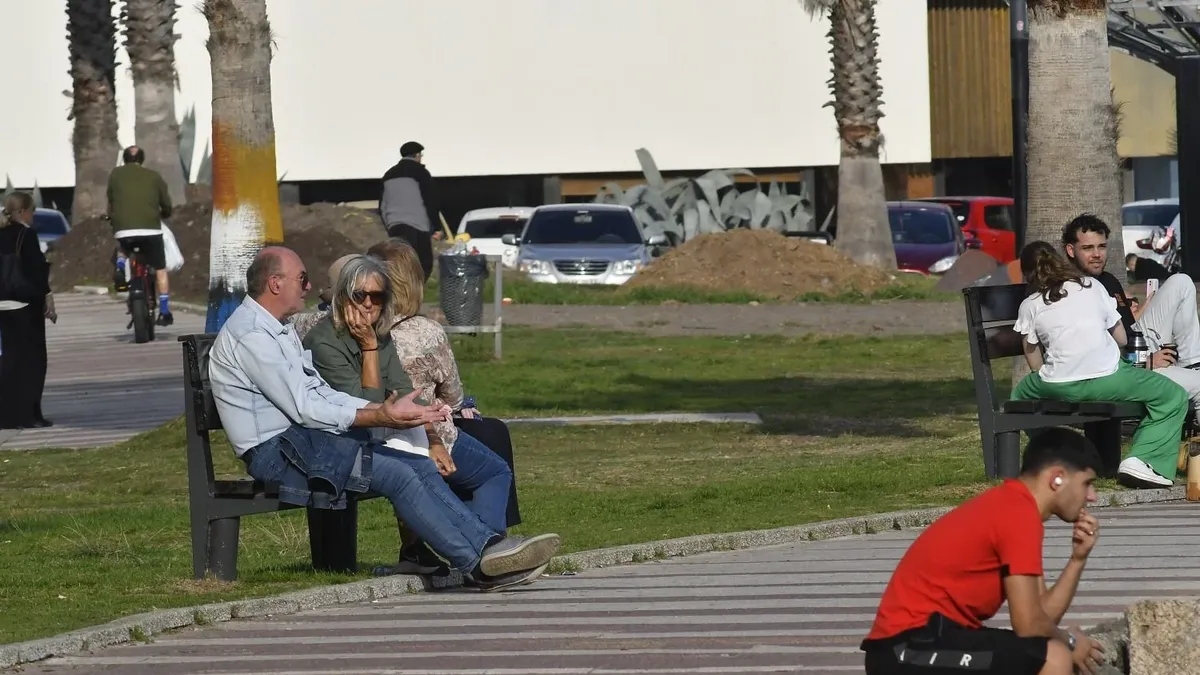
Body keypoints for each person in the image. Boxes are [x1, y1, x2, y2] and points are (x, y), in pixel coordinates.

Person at [208, 246, 561, 591]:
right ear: (275, 283)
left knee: (415, 464)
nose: (309, 287)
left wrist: (384, 415)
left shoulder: (276, 329)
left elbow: (317, 393)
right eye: (301, 279)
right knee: (400, 474)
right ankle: (480, 565)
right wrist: (377, 414)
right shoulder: (253, 335)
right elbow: (303, 405)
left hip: (305, 442)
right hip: (278, 452)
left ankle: (487, 552)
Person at [301, 254, 525, 579]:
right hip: (351, 443)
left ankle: (485, 552)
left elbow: (408, 396)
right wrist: (368, 349)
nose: (367, 305)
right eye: (358, 295)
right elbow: (368, 406)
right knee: (415, 471)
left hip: (394, 432)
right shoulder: (326, 342)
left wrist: (434, 440)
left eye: (376, 297)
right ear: (342, 297)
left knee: (436, 462)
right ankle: (483, 556)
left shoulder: (380, 336)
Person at [860, 428, 1107, 675]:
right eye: (1087, 483)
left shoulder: (1017, 507)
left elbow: (1041, 616)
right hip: (904, 649)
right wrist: (1070, 641)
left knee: (1048, 649)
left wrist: (1077, 559)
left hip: (923, 643)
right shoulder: (1017, 514)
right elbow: (1028, 624)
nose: (1092, 496)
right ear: (1057, 478)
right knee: (1053, 657)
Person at [368, 237, 523, 528]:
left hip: (370, 433)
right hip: (420, 435)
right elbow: (453, 398)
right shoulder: (425, 332)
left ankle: (454, 542)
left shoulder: (354, 327)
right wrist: (454, 405)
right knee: (494, 464)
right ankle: (485, 544)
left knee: (489, 433)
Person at [1012, 241, 1188, 488]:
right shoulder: (1092, 285)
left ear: (1028, 274)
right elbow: (1122, 338)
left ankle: (1053, 456)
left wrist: (1049, 374)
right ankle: (1143, 460)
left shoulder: (1030, 303)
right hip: (1108, 378)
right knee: (1172, 396)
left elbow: (1032, 357)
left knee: (1019, 396)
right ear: (1061, 260)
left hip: (1056, 382)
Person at [1062, 214, 1200, 433]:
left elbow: (1126, 325)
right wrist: (1148, 361)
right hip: (1129, 366)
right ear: (1071, 251)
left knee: (1181, 282)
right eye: (1088, 248)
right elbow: (1092, 353)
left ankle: (1192, 366)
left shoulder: (1107, 280)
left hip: (1139, 343)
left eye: (1101, 246)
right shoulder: (1075, 291)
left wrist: (1143, 308)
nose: (1097, 254)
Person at [0, 192, 55, 429]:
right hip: (25, 304)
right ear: (22, 211)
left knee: (10, 359)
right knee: (33, 361)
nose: (32, 216)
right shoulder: (27, 235)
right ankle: (30, 414)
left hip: (2, 305)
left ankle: (7, 415)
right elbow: (35, 271)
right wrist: (47, 296)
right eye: (31, 210)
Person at [107, 145, 174, 326]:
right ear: (142, 159)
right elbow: (166, 203)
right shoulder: (154, 176)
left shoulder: (115, 174)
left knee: (122, 245)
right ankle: (165, 311)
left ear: (125, 159)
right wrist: (166, 212)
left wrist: (112, 217)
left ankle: (121, 265)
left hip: (124, 229)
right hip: (150, 230)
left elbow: (111, 201)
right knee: (160, 268)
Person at [379, 141, 439, 281]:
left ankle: (402, 293)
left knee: (401, 262)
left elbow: (382, 206)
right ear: (417, 155)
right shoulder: (421, 173)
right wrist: (436, 226)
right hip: (418, 226)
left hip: (395, 226)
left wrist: (389, 225)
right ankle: (414, 294)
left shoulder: (388, 175)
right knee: (423, 264)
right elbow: (431, 200)